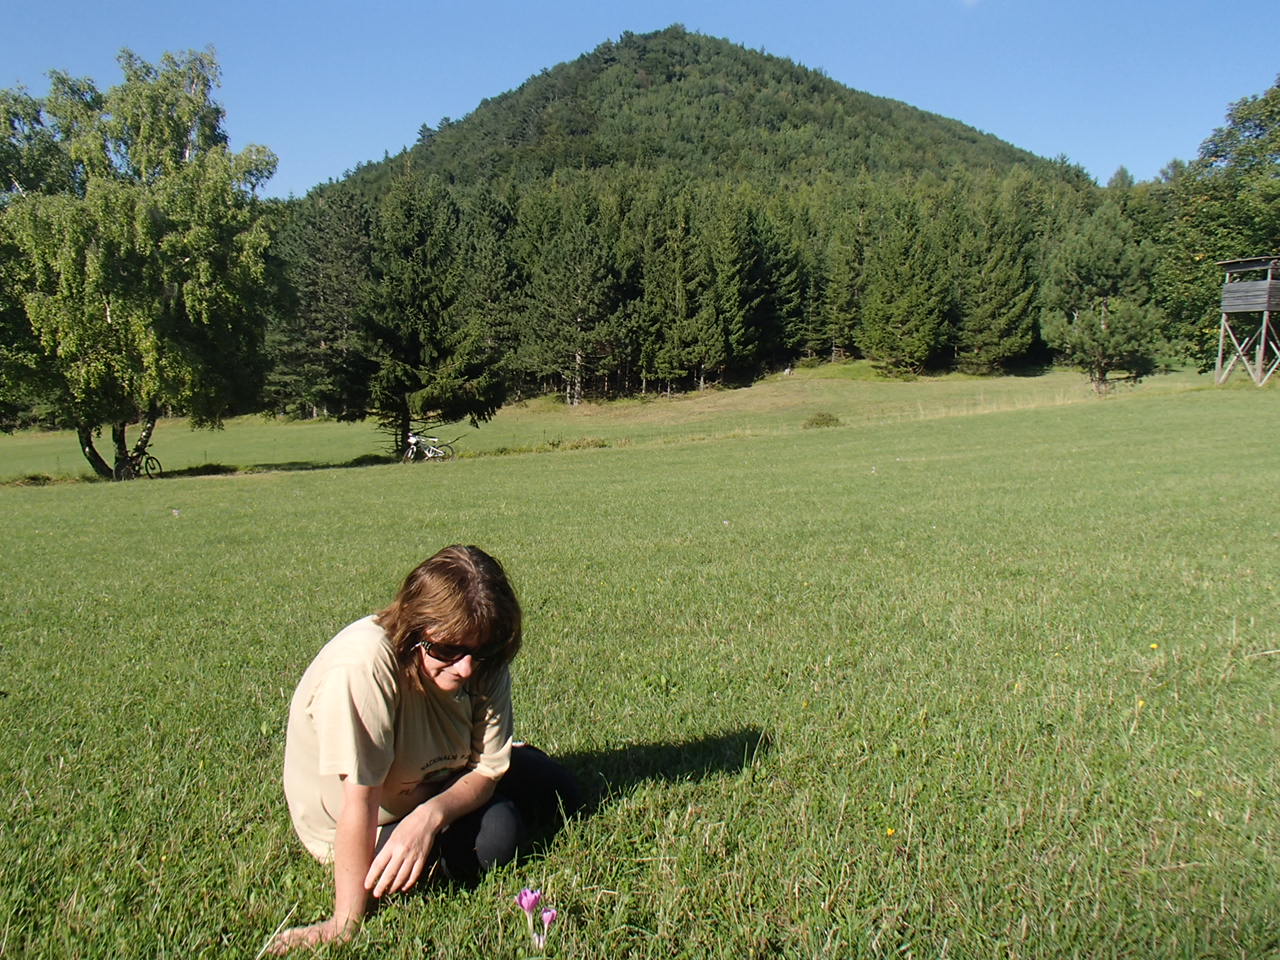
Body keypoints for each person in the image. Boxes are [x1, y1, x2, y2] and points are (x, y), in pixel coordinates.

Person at [269, 545, 580, 954]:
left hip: (434, 781)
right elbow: (359, 801)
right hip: (367, 813)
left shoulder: (483, 654)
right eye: (447, 650)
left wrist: (428, 818)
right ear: (414, 629)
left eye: (481, 651)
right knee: (498, 837)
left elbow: (487, 772)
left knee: (561, 790)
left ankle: (490, 778)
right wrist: (344, 925)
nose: (465, 668)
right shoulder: (364, 667)